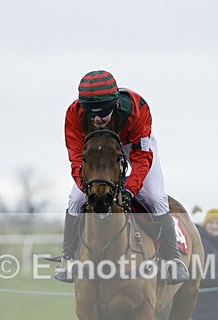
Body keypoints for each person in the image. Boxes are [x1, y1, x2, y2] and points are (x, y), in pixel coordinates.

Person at [56, 70, 189, 285]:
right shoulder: (75, 114)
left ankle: (172, 260)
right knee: (76, 200)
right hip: (96, 149)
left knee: (155, 197)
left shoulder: (138, 109)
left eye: (103, 113)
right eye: (92, 114)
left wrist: (129, 190)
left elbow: (141, 157)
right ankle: (68, 257)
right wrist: (85, 187)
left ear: (115, 104)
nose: (97, 119)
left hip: (133, 146)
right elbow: (76, 156)